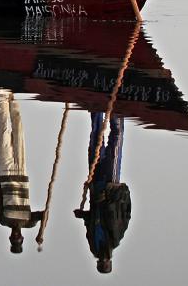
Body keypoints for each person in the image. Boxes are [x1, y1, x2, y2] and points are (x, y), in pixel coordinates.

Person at [73, 112, 131, 274]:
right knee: (116, 138)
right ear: (110, 261)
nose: (103, 260)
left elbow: (92, 219)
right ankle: (117, 111)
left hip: (95, 183)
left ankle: (96, 108)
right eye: (106, 263)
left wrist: (82, 215)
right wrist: (109, 197)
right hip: (110, 184)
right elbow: (122, 211)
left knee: (95, 139)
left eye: (101, 263)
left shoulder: (93, 244)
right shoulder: (116, 238)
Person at [0, 91, 43, 253]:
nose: (15, 237)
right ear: (22, 238)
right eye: (18, 240)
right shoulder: (28, 221)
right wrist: (41, 231)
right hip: (21, 172)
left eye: (13, 239)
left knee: (4, 131)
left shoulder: (3, 219)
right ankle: (14, 99)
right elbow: (44, 214)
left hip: (4, 172)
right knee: (18, 128)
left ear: (10, 238)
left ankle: (3, 96)